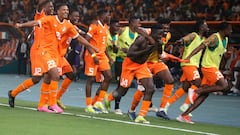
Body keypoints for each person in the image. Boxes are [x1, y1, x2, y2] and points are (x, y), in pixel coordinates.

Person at [14, 2, 98, 113]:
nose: (66, 12)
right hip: (42, 51)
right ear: (58, 11)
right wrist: (21, 25)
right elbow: (35, 22)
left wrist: (91, 46)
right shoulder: (47, 18)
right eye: (63, 10)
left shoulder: (68, 25)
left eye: (67, 10)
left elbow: (79, 38)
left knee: (50, 77)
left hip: (57, 54)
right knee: (46, 76)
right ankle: (52, 103)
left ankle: (42, 105)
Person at [176, 21, 232, 124]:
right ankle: (196, 91)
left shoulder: (226, 40)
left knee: (205, 95)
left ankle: (183, 115)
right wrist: (189, 57)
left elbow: (220, 55)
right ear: (223, 30)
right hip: (208, 67)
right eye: (229, 29)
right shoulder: (214, 37)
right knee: (224, 85)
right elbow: (201, 46)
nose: (231, 31)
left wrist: (223, 63)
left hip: (214, 67)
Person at [105, 26, 162, 124]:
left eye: (162, 35)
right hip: (129, 65)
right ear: (152, 34)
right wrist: (146, 50)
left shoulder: (157, 42)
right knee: (122, 91)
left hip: (141, 66)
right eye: (159, 35)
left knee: (150, 88)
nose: (161, 37)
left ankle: (141, 116)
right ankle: (109, 98)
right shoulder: (141, 39)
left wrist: (158, 46)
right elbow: (130, 54)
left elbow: (159, 52)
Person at [8, 0, 54, 113]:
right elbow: (39, 5)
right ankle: (13, 93)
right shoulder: (40, 15)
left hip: (47, 51)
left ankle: (44, 104)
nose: (52, 8)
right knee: (36, 79)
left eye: (53, 7)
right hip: (38, 51)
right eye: (50, 6)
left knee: (50, 74)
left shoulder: (53, 20)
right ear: (44, 8)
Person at [165, 18, 209, 117]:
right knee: (198, 83)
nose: (207, 27)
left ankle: (166, 104)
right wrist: (181, 41)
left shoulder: (205, 40)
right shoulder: (194, 35)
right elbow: (185, 39)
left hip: (194, 64)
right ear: (200, 27)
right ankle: (185, 105)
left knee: (184, 87)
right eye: (205, 25)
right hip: (188, 63)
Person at [84, 9, 112, 113]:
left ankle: (98, 102)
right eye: (107, 15)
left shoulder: (105, 27)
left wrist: (108, 57)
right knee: (91, 79)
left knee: (108, 76)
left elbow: (103, 44)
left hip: (102, 55)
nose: (109, 17)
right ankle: (88, 105)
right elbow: (86, 41)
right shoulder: (94, 25)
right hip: (92, 55)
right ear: (101, 15)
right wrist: (93, 54)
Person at [112, 16, 141, 114]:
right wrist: (116, 46)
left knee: (126, 86)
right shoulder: (123, 30)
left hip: (132, 62)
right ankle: (116, 107)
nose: (139, 25)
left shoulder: (137, 35)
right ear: (132, 23)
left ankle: (109, 98)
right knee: (121, 84)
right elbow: (114, 35)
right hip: (120, 61)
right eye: (138, 23)